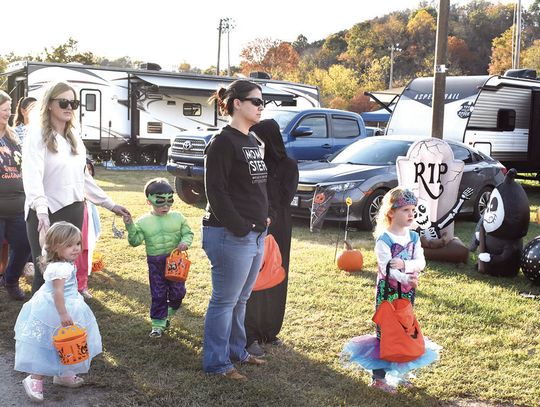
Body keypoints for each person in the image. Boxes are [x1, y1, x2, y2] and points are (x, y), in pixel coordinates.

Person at [22, 81, 130, 294]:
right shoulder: (36, 136)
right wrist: (41, 211)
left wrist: (110, 204)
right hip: (45, 214)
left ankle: (66, 323)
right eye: (64, 102)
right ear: (49, 104)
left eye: (74, 103)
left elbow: (84, 178)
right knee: (46, 274)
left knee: (66, 272)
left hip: (74, 211)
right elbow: (32, 177)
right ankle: (40, 325)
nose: (69, 107)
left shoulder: (74, 138)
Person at [341, 188, 441, 394]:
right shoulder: (384, 240)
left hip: (407, 293)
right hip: (387, 294)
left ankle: (400, 372)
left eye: (413, 209)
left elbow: (421, 262)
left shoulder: (413, 237)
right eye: (405, 209)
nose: (411, 214)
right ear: (391, 213)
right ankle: (378, 378)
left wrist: (405, 265)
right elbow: (386, 268)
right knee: (386, 333)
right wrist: (405, 277)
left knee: (405, 330)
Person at [202, 80, 268, 380]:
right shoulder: (222, 142)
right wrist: (241, 227)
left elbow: (253, 188)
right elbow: (215, 192)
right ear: (237, 103)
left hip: (255, 233)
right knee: (224, 300)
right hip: (230, 234)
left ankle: (236, 351)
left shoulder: (254, 141)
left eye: (262, 102)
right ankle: (216, 363)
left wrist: (265, 219)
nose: (260, 106)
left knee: (241, 300)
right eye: (255, 101)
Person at [14, 221, 102, 403]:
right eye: (69, 245)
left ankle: (64, 374)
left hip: (67, 305)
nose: (76, 248)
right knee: (47, 343)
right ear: (55, 246)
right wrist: (63, 314)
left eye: (77, 243)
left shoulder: (62, 262)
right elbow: (58, 292)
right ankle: (34, 379)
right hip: (54, 309)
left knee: (67, 341)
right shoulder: (59, 267)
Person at [244, 119, 298, 356]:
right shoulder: (251, 164)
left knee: (276, 275)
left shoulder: (288, 165)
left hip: (278, 225)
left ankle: (271, 330)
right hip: (254, 224)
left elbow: (283, 198)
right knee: (254, 279)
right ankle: (251, 333)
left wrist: (269, 215)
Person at [123, 178, 194, 338]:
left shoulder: (178, 217)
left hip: (175, 262)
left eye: (169, 202)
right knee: (158, 293)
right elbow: (134, 242)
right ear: (149, 202)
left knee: (178, 293)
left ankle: (167, 313)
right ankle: (157, 324)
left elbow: (188, 232)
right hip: (156, 263)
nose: (166, 207)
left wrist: (185, 241)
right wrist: (130, 226)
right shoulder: (143, 222)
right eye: (161, 203)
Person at [0, 90, 32, 301]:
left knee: (24, 244)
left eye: (10, 108)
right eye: (4, 108)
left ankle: (11, 280)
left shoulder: (13, 136)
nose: (8, 112)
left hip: (19, 204)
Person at [74, 159, 102, 299]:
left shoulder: (90, 190)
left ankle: (82, 286)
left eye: (90, 169)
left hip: (85, 223)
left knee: (84, 253)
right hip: (73, 223)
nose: (88, 172)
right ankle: (70, 287)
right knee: (72, 255)